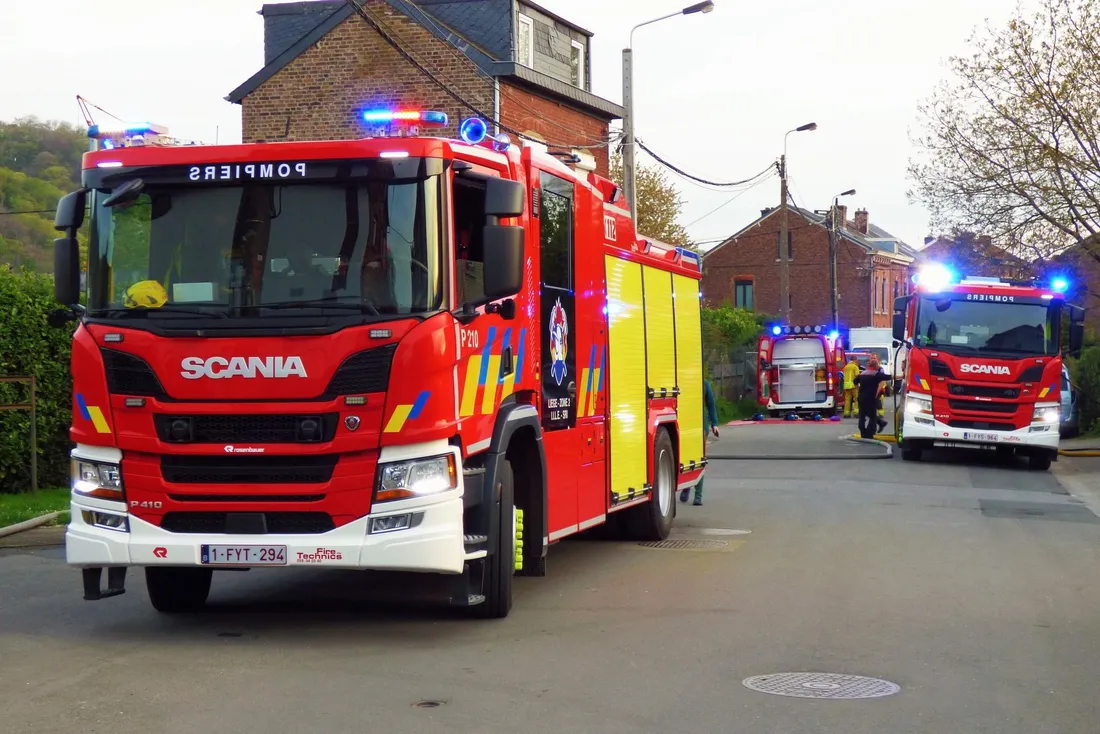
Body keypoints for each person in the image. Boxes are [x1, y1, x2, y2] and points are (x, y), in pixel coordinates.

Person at [681, 378, 720, 506]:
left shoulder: (704, 383)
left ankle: (698, 495)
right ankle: (686, 486)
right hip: (686, 426)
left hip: (701, 427)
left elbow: (711, 404)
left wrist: (714, 424)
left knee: (699, 458)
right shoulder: (683, 381)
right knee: (686, 458)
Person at [853, 357, 892, 439]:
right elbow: (889, 377)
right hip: (871, 398)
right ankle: (870, 433)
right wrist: (903, 376)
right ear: (875, 366)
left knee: (862, 415)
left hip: (861, 397)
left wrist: (858, 390)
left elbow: (855, 381)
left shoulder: (862, 373)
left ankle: (863, 432)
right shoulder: (875, 374)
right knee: (873, 416)